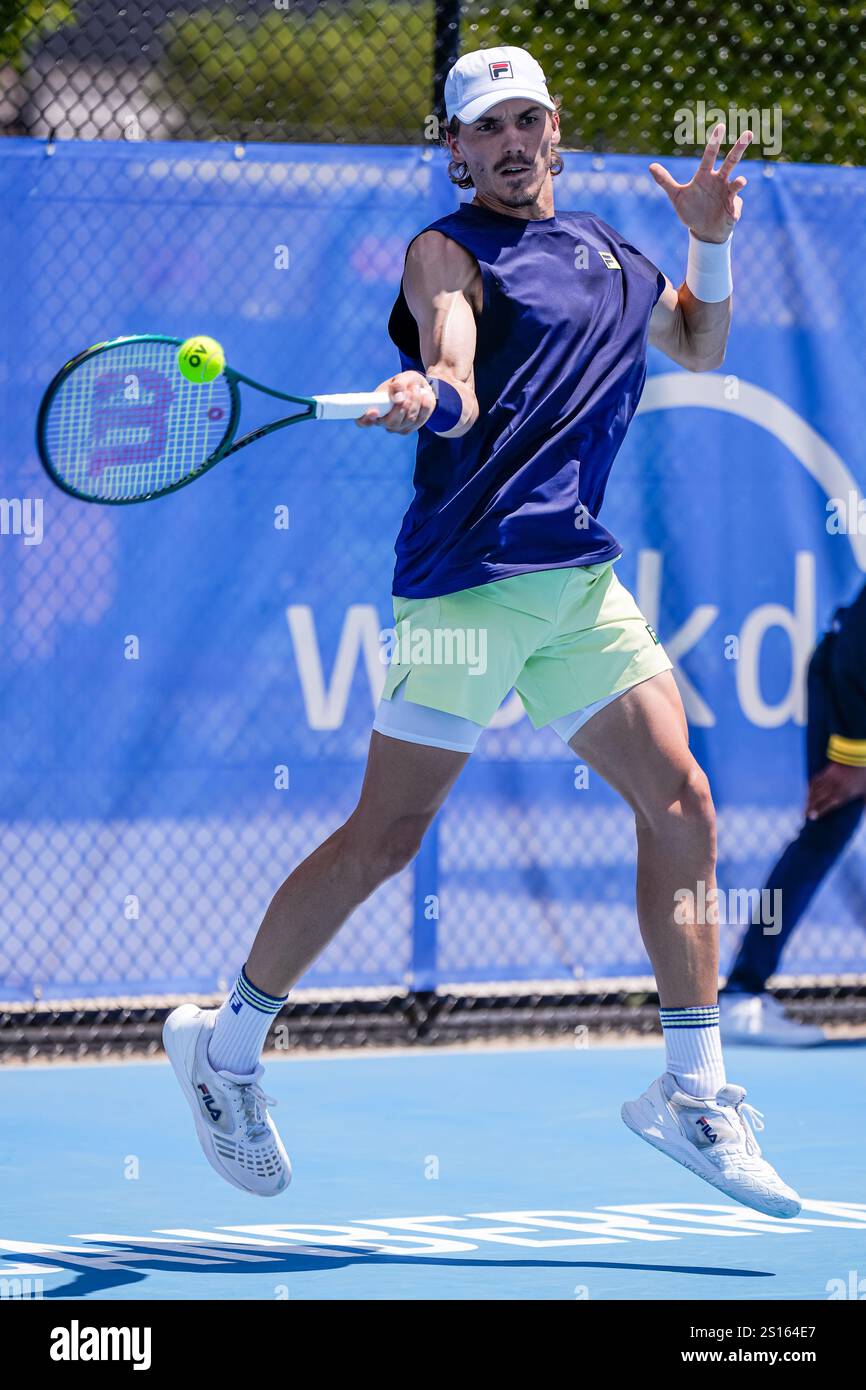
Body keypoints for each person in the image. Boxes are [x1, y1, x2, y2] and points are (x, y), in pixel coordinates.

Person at [164, 45, 800, 1217]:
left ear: (553, 129)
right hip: (466, 586)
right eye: (483, 126)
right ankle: (227, 1043)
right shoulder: (443, 249)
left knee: (684, 805)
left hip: (575, 587)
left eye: (524, 119)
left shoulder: (617, 254)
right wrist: (429, 391)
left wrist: (709, 238)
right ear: (452, 149)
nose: (508, 141)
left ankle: (692, 1092)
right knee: (385, 839)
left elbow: (698, 344)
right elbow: (451, 356)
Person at [721, 579, 866, 1044]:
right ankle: (742, 995)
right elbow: (855, 655)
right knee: (825, 832)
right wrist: (853, 757)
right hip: (849, 690)